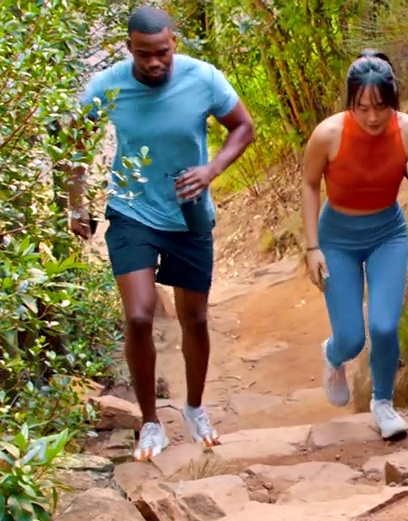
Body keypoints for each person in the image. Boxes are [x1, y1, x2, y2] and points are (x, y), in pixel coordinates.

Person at [68, 6, 256, 461]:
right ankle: (150, 422)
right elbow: (71, 140)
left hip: (190, 213)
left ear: (175, 44)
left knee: (194, 319)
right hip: (132, 210)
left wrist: (211, 169)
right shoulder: (108, 85)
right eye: (145, 54)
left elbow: (243, 127)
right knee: (138, 316)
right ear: (129, 48)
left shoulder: (203, 78)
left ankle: (194, 407)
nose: (155, 63)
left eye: (163, 53)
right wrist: (76, 202)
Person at [300, 50, 408, 441]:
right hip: (337, 238)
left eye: (380, 107)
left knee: (383, 326)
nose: (371, 117)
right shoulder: (328, 135)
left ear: (393, 101)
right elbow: (310, 183)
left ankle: (383, 405)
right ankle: (333, 355)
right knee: (352, 338)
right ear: (350, 102)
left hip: (387, 233)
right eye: (362, 107)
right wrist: (312, 247)